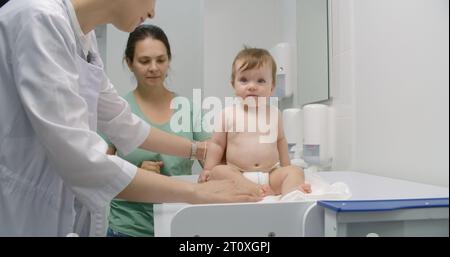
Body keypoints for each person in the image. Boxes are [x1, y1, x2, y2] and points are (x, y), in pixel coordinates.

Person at [0, 0, 260, 237]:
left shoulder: (84, 41)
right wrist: (196, 193)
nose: (153, 12)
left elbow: (124, 123)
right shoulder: (37, 18)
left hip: (62, 213)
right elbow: (82, 157)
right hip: (22, 210)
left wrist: (200, 149)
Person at [103, 24, 211, 237]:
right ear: (129, 63)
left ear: (169, 61)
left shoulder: (189, 109)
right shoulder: (116, 111)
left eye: (161, 60)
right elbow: (99, 177)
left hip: (179, 226)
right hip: (127, 229)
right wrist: (134, 175)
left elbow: (213, 164)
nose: (153, 67)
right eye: (144, 61)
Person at [198, 47, 311, 197]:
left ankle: (291, 194)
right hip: (238, 175)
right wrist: (208, 169)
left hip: (271, 175)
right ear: (234, 85)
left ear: (272, 88)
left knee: (296, 171)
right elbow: (217, 144)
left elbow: (281, 142)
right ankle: (254, 189)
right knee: (220, 171)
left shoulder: (274, 114)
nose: (252, 86)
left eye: (260, 81)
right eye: (244, 80)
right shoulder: (227, 114)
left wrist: (286, 168)